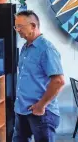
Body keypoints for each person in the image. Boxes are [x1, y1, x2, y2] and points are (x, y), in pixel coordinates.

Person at [13, 10, 64, 142]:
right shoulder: (25, 47)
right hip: (22, 110)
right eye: (16, 26)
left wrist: (41, 105)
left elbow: (58, 81)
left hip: (41, 113)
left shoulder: (46, 49)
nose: (17, 30)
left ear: (33, 26)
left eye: (20, 26)